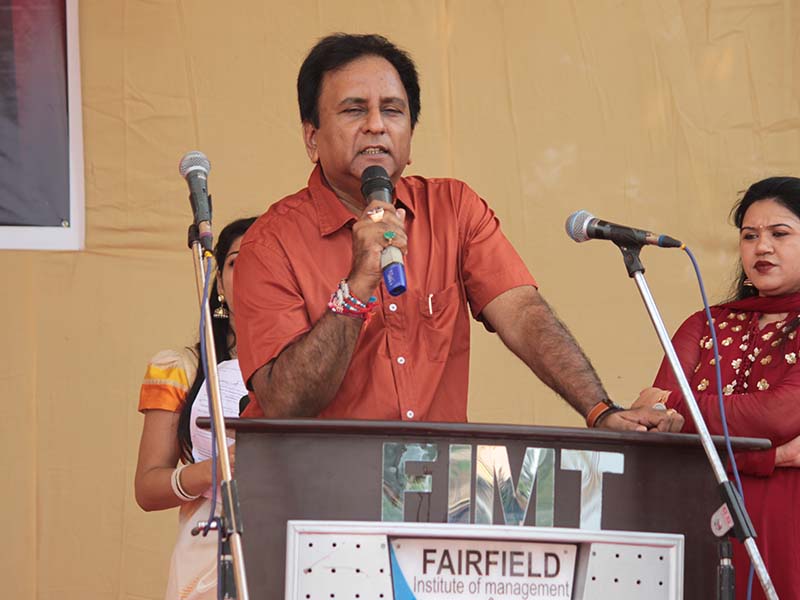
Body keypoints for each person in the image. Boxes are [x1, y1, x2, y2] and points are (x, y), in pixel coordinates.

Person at [235, 33, 681, 433]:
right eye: (354, 110)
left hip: (433, 481)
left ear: (410, 135)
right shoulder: (269, 244)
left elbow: (523, 314)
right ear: (312, 138)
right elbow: (283, 403)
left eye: (392, 110)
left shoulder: (453, 208)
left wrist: (599, 410)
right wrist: (356, 289)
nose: (376, 125)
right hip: (317, 485)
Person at [636, 177, 800, 599]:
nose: (762, 247)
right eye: (750, 236)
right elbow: (657, 425)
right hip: (700, 516)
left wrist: (678, 405)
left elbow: (778, 414)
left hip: (788, 524)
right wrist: (774, 456)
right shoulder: (704, 323)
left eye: (779, 234)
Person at [134, 216, 256, 600]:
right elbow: (148, 488)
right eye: (237, 262)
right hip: (207, 561)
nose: (251, 274)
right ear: (219, 283)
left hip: (293, 546)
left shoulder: (314, 369)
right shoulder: (182, 369)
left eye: (265, 262)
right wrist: (213, 471)